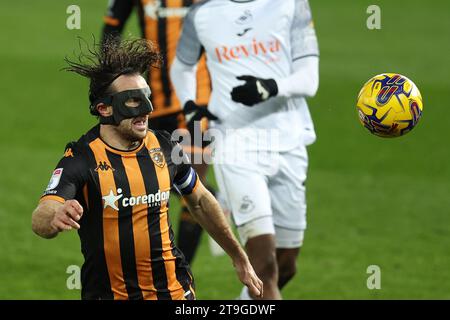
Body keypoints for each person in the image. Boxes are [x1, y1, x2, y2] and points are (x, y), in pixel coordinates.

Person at [31, 38, 262, 300]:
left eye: (147, 98)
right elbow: (41, 215)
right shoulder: (82, 158)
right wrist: (54, 217)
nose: (147, 110)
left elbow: (199, 201)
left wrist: (239, 257)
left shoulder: (164, 145)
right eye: (132, 101)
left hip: (175, 291)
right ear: (104, 108)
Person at [171, 0, 319, 300]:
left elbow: (309, 78)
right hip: (235, 145)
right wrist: (191, 109)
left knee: (286, 265)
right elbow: (181, 67)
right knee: (264, 266)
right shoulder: (202, 13)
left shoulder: (291, 5)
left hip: (289, 140)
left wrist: (271, 87)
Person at [101, 0, 220, 264]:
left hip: (198, 100)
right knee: (149, 181)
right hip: (150, 102)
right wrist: (109, 84)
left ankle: (181, 270)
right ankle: (214, 198)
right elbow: (112, 28)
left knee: (193, 191)